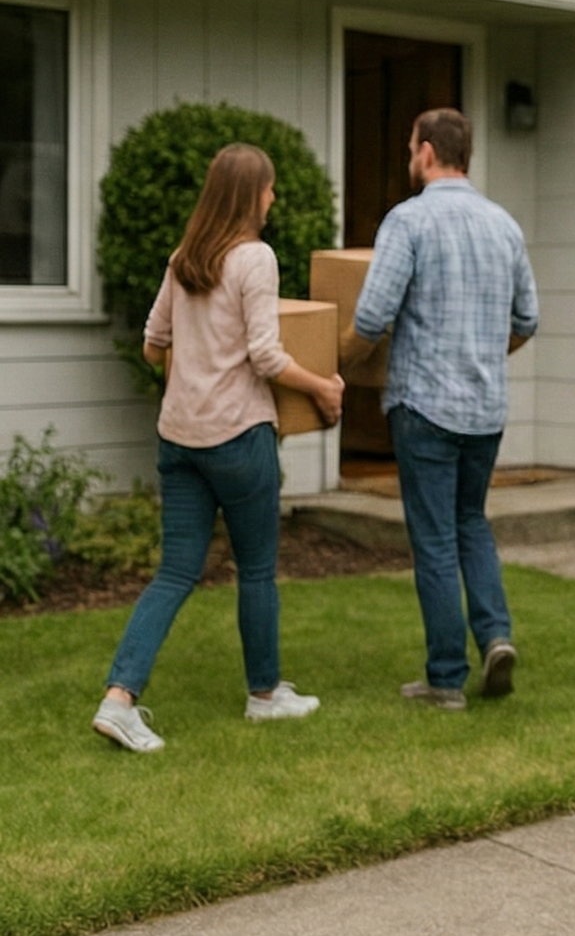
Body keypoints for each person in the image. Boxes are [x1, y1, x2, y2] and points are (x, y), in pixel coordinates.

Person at [92, 143, 346, 753]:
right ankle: (264, 695)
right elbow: (264, 353)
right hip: (238, 438)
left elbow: (155, 345)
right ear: (247, 195)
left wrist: (196, 365)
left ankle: (119, 699)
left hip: (179, 440)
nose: (274, 198)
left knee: (176, 571)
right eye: (269, 188)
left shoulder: (185, 259)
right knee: (256, 569)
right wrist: (323, 387)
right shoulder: (255, 259)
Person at [344, 108, 537, 712]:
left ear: (427, 152)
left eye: (410, 148)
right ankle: (496, 637)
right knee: (471, 524)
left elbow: (372, 316)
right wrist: (484, 353)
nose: (409, 158)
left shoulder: (409, 221)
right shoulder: (503, 225)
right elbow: (527, 321)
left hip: (424, 405)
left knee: (432, 541)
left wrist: (338, 366)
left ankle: (446, 679)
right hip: (484, 409)